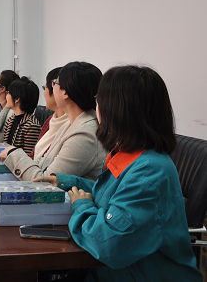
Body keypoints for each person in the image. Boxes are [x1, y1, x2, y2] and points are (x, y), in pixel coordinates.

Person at [34, 65, 202, 282]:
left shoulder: (149, 173)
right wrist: (65, 181)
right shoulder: (127, 154)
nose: (96, 105)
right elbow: (108, 195)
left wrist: (82, 205)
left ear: (117, 110)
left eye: (99, 99)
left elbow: (107, 243)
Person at [0, 61, 106, 182]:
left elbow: (45, 182)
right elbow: (42, 163)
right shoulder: (71, 123)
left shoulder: (85, 135)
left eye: (55, 83)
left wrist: (13, 153)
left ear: (65, 93)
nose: (51, 88)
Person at [30, 67, 68, 159]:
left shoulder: (72, 125)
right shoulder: (50, 120)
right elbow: (32, 156)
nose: (44, 93)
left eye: (45, 87)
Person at [1, 76, 41, 155]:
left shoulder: (31, 126)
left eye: (8, 93)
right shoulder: (10, 120)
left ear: (17, 99)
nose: (6, 96)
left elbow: (28, 158)